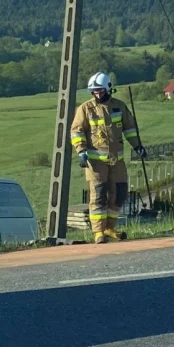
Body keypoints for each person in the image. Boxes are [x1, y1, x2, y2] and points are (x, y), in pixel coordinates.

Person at [70, 72, 146, 244]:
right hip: (95, 163)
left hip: (117, 161)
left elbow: (130, 128)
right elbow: (76, 131)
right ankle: (98, 232)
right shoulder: (85, 109)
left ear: (108, 89)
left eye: (100, 91)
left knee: (120, 193)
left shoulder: (119, 106)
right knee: (98, 196)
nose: (97, 94)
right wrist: (81, 151)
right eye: (94, 91)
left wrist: (137, 146)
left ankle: (109, 228)